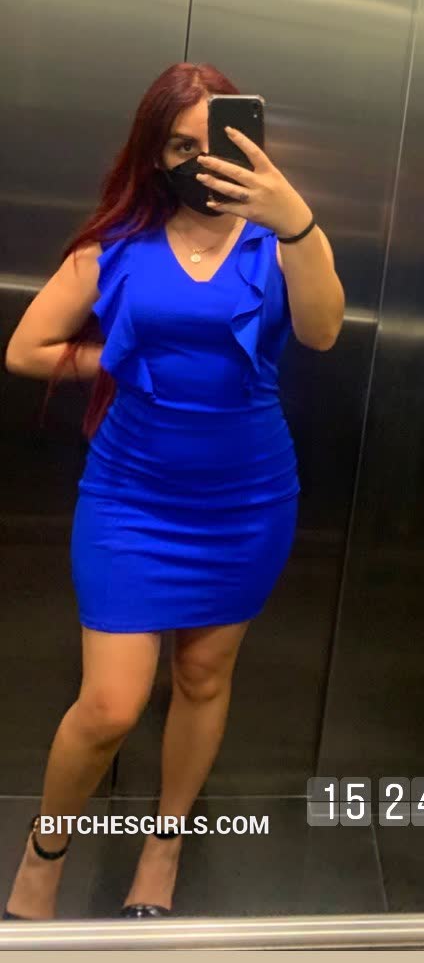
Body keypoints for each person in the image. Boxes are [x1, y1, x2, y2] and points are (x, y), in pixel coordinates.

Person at [2, 61, 345, 921]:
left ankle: (165, 844)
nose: (198, 160)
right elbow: (25, 349)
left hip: (247, 502)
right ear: (154, 154)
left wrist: (296, 220)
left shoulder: (282, 241)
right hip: (131, 499)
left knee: (202, 674)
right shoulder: (116, 245)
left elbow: (323, 330)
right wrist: (113, 359)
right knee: (110, 703)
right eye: (179, 145)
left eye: (214, 142)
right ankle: (45, 850)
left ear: (248, 143)